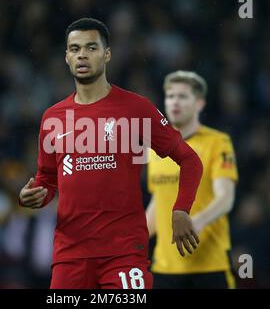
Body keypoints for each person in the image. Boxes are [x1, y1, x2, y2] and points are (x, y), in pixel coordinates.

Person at [18, 18, 203, 289]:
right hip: (70, 256)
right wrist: (31, 196)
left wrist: (181, 210)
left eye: (91, 48)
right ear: (67, 57)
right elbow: (47, 181)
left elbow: (190, 160)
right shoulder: (52, 118)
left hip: (123, 253)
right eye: (75, 49)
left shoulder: (136, 108)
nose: (82, 54)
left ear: (107, 54)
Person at [146, 71, 238, 288]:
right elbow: (158, 204)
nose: (174, 102)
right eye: (170, 96)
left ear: (199, 104)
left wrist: (198, 221)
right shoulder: (154, 151)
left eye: (182, 96)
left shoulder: (218, 142)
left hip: (209, 267)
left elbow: (225, 198)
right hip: (165, 270)